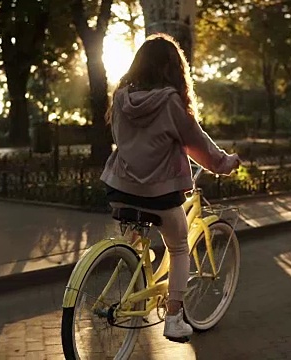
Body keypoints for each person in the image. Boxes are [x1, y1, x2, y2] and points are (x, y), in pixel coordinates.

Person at [100, 33, 240, 341]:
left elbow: (123, 140)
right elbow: (196, 143)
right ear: (173, 68)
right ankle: (174, 318)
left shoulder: (121, 97)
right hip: (158, 194)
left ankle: (137, 275)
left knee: (136, 234)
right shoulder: (170, 102)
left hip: (119, 189)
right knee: (178, 247)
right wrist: (224, 163)